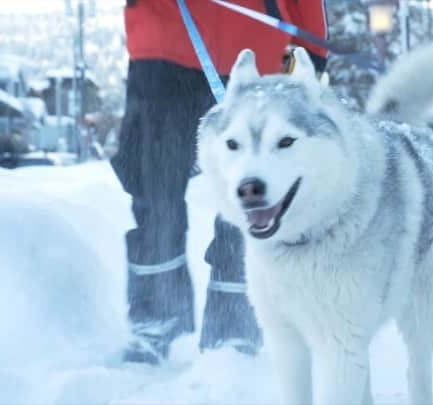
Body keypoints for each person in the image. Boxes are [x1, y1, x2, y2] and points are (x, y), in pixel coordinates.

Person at [111, 0, 328, 365]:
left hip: (254, 45)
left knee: (251, 195)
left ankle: (236, 328)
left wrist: (310, 47)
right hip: (164, 38)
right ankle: (157, 320)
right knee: (154, 189)